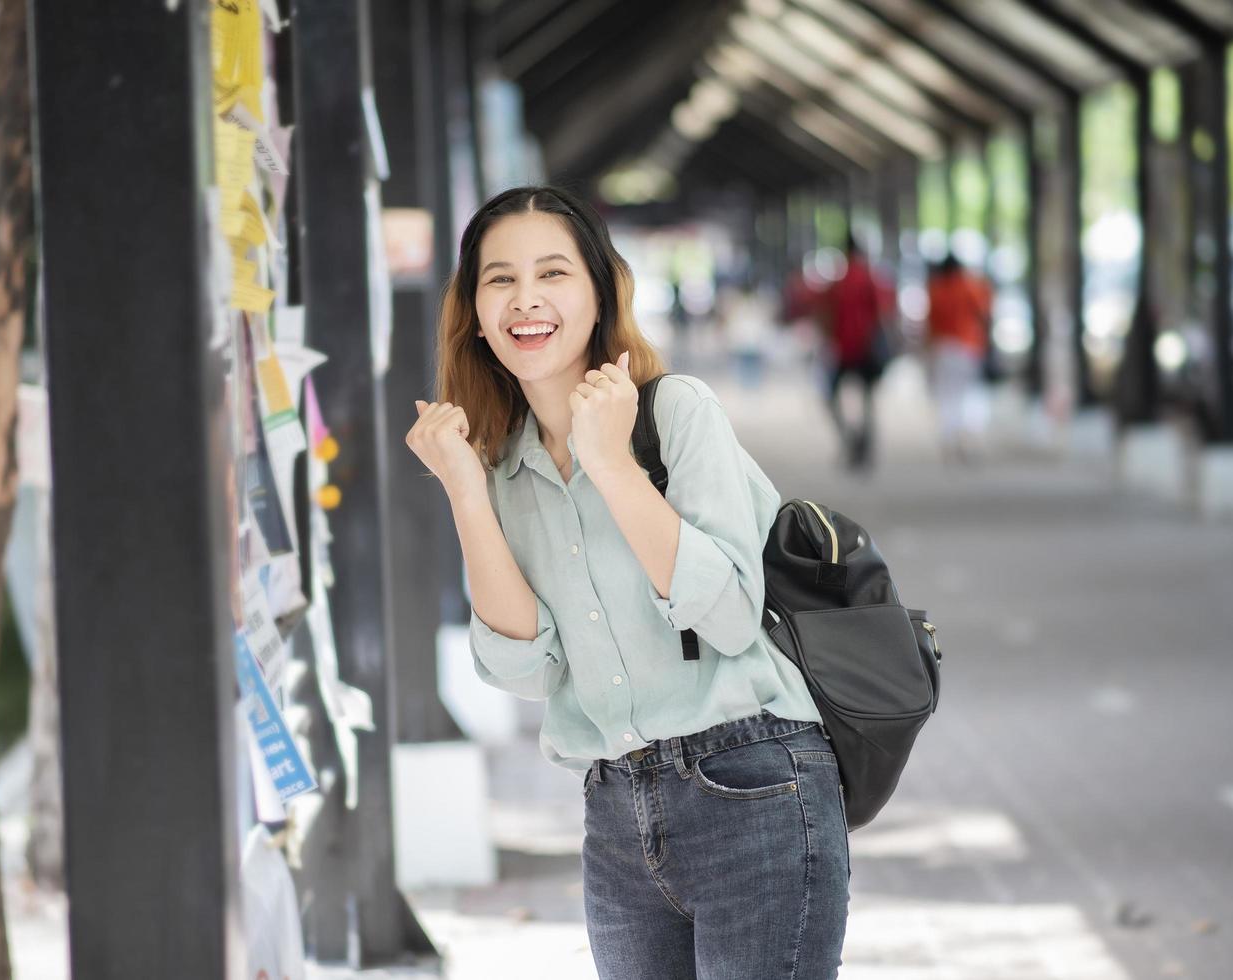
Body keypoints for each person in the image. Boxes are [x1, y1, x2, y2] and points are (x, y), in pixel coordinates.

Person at [405, 186, 849, 980]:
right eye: (500, 279)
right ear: (473, 311)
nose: (527, 299)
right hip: (615, 811)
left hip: (754, 782)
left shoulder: (675, 413)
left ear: (602, 293)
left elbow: (730, 614)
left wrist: (612, 465)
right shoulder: (501, 465)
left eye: (553, 273)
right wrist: (467, 494)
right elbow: (524, 670)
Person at [823, 235, 892, 471]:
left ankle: (850, 439)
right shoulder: (871, 277)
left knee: (831, 397)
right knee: (868, 400)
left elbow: (828, 315)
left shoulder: (838, 280)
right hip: (866, 348)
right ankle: (866, 447)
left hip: (844, 348)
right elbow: (883, 312)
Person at [924, 254, 992, 462]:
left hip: (942, 348)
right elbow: (984, 314)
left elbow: (930, 322)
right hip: (967, 346)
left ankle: (949, 439)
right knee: (967, 394)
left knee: (946, 396)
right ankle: (967, 438)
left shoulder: (935, 289)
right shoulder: (971, 285)